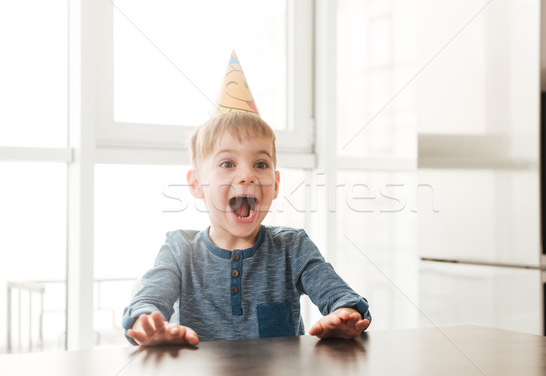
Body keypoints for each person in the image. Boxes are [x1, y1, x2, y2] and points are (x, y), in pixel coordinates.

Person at [122, 52, 370, 346]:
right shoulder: (179, 250)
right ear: (197, 184)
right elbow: (148, 299)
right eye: (228, 164)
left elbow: (342, 297)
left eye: (261, 164)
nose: (247, 175)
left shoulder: (292, 247)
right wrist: (147, 323)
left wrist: (344, 314)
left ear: (275, 184)